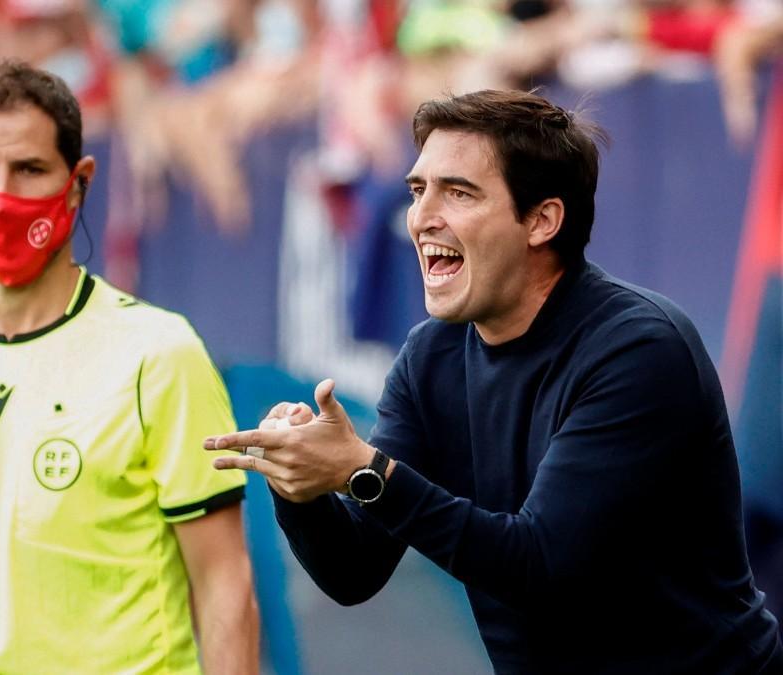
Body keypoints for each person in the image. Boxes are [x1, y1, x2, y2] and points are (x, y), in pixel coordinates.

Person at [206, 89, 783, 673]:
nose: (422, 216)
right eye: (417, 190)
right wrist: (300, 487)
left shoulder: (638, 348)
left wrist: (366, 472)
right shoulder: (430, 356)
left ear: (541, 220)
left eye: (458, 192)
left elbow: (538, 566)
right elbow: (354, 571)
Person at [0, 61, 259, 675]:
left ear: (79, 182)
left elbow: (223, 586)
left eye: (29, 169)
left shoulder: (160, 354)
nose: (1, 195)